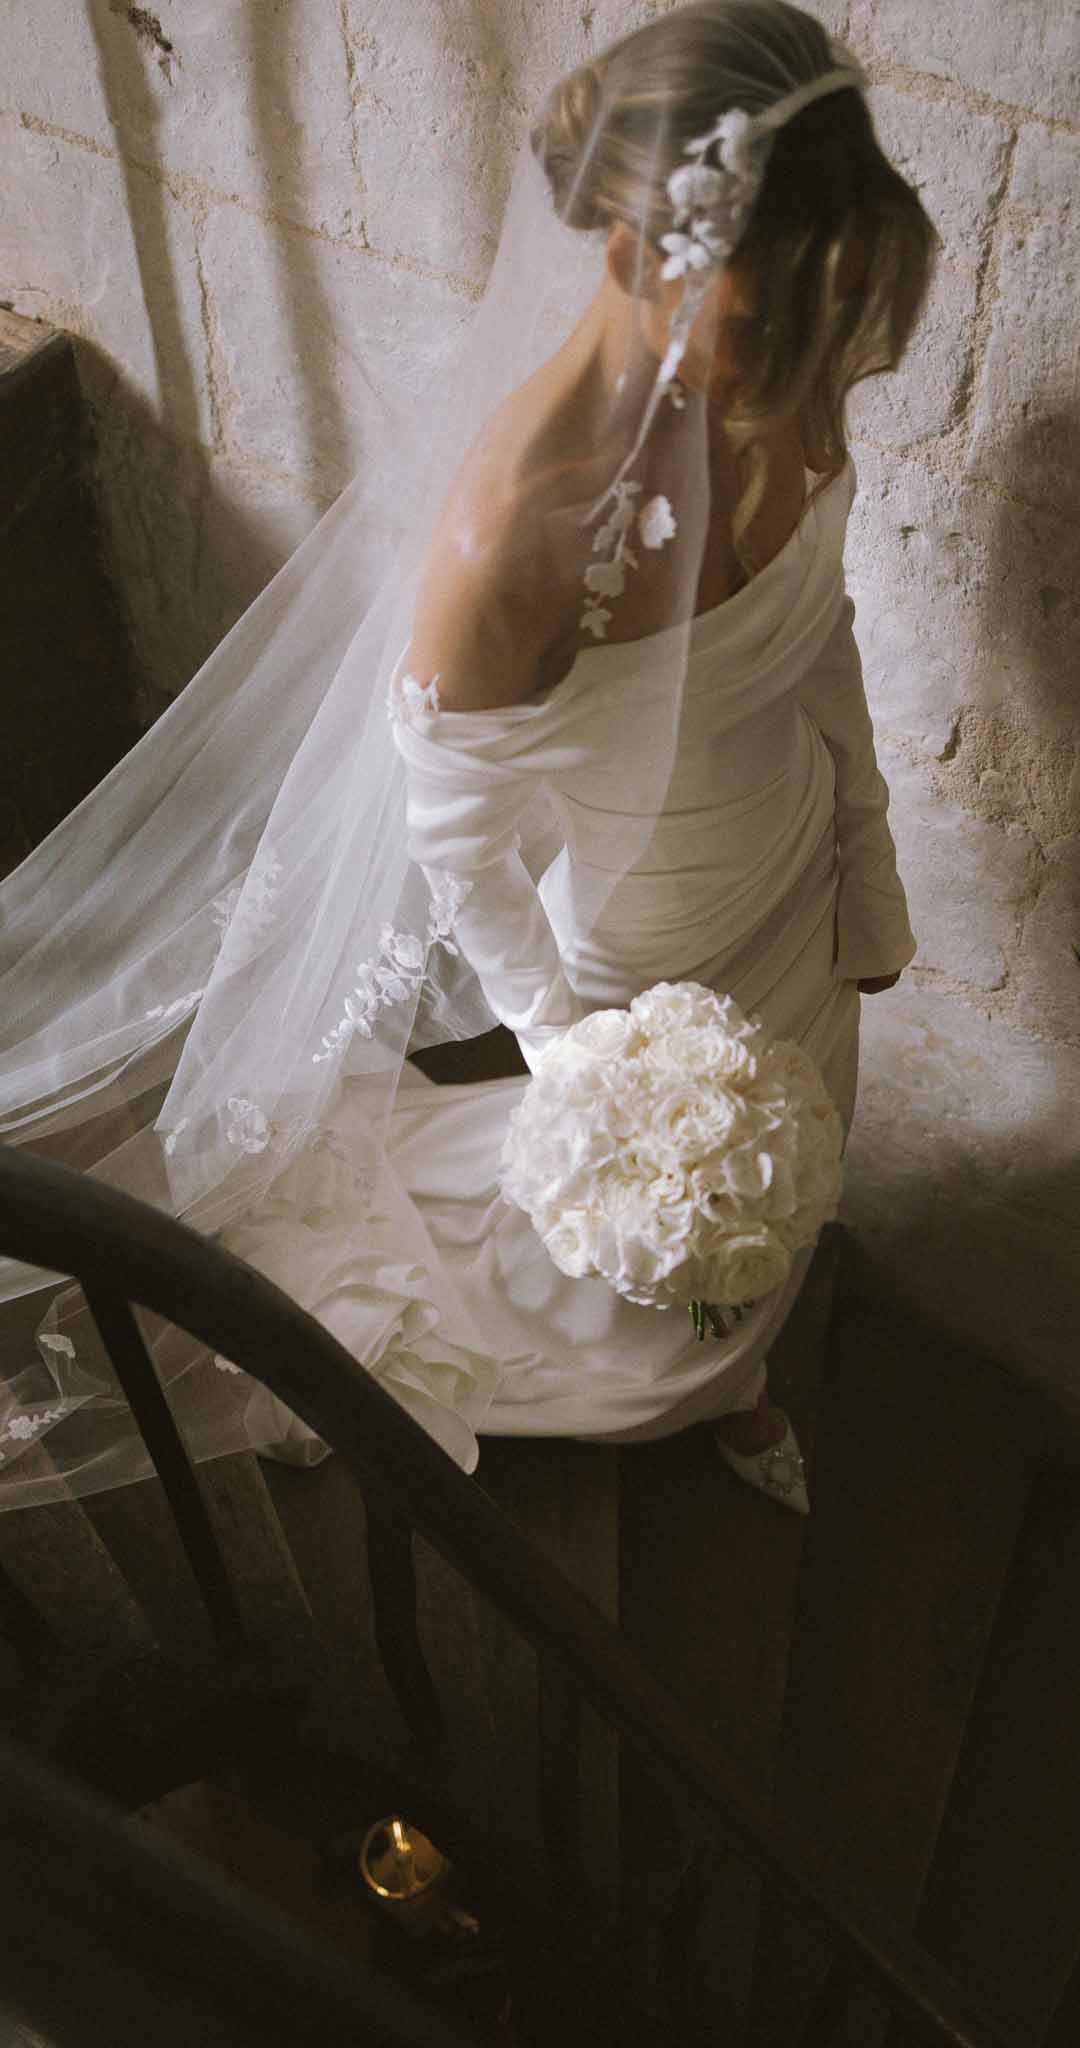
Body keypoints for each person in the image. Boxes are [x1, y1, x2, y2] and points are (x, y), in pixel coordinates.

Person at [0, 2, 936, 1518]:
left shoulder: (783, 378)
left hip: (795, 875)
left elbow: (819, 642)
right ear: (641, 258)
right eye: (770, 317)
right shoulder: (518, 532)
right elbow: (459, 842)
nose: (808, 365)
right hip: (643, 953)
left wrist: (869, 877)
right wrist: (585, 1072)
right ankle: (666, 1379)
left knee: (784, 1165)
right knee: (644, 1243)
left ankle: (732, 1363)